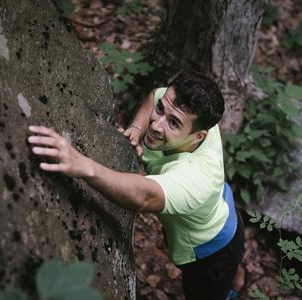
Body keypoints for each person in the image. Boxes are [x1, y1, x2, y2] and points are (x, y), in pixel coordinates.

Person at [27, 70, 244, 300]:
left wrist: (82, 165)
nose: (156, 125)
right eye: (161, 110)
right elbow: (154, 95)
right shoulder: (187, 111)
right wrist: (136, 129)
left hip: (211, 249)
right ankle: (237, 274)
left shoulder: (196, 180)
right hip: (221, 207)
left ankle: (233, 287)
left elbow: (144, 197)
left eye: (173, 123)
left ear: (198, 136)